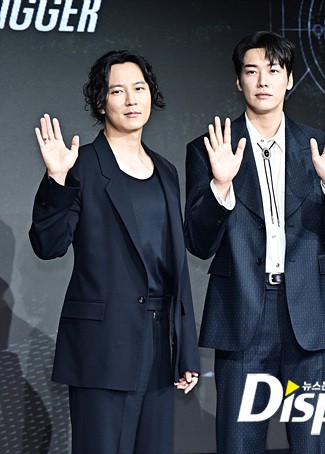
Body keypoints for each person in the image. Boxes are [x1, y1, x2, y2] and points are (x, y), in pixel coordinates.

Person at [184, 31, 325, 453]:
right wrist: (220, 186)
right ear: (238, 81)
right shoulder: (211, 148)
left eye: (274, 70)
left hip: (309, 315)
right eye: (251, 71)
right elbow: (199, 243)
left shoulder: (319, 148)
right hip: (242, 311)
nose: (263, 80)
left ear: (289, 79)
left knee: (313, 443)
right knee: (239, 443)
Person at [28, 50, 200, 453]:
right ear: (100, 102)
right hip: (103, 347)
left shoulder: (166, 171)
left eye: (139, 88)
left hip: (160, 345)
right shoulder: (81, 165)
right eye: (118, 91)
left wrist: (186, 349)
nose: (131, 99)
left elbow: (177, 267)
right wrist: (57, 179)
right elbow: (48, 246)